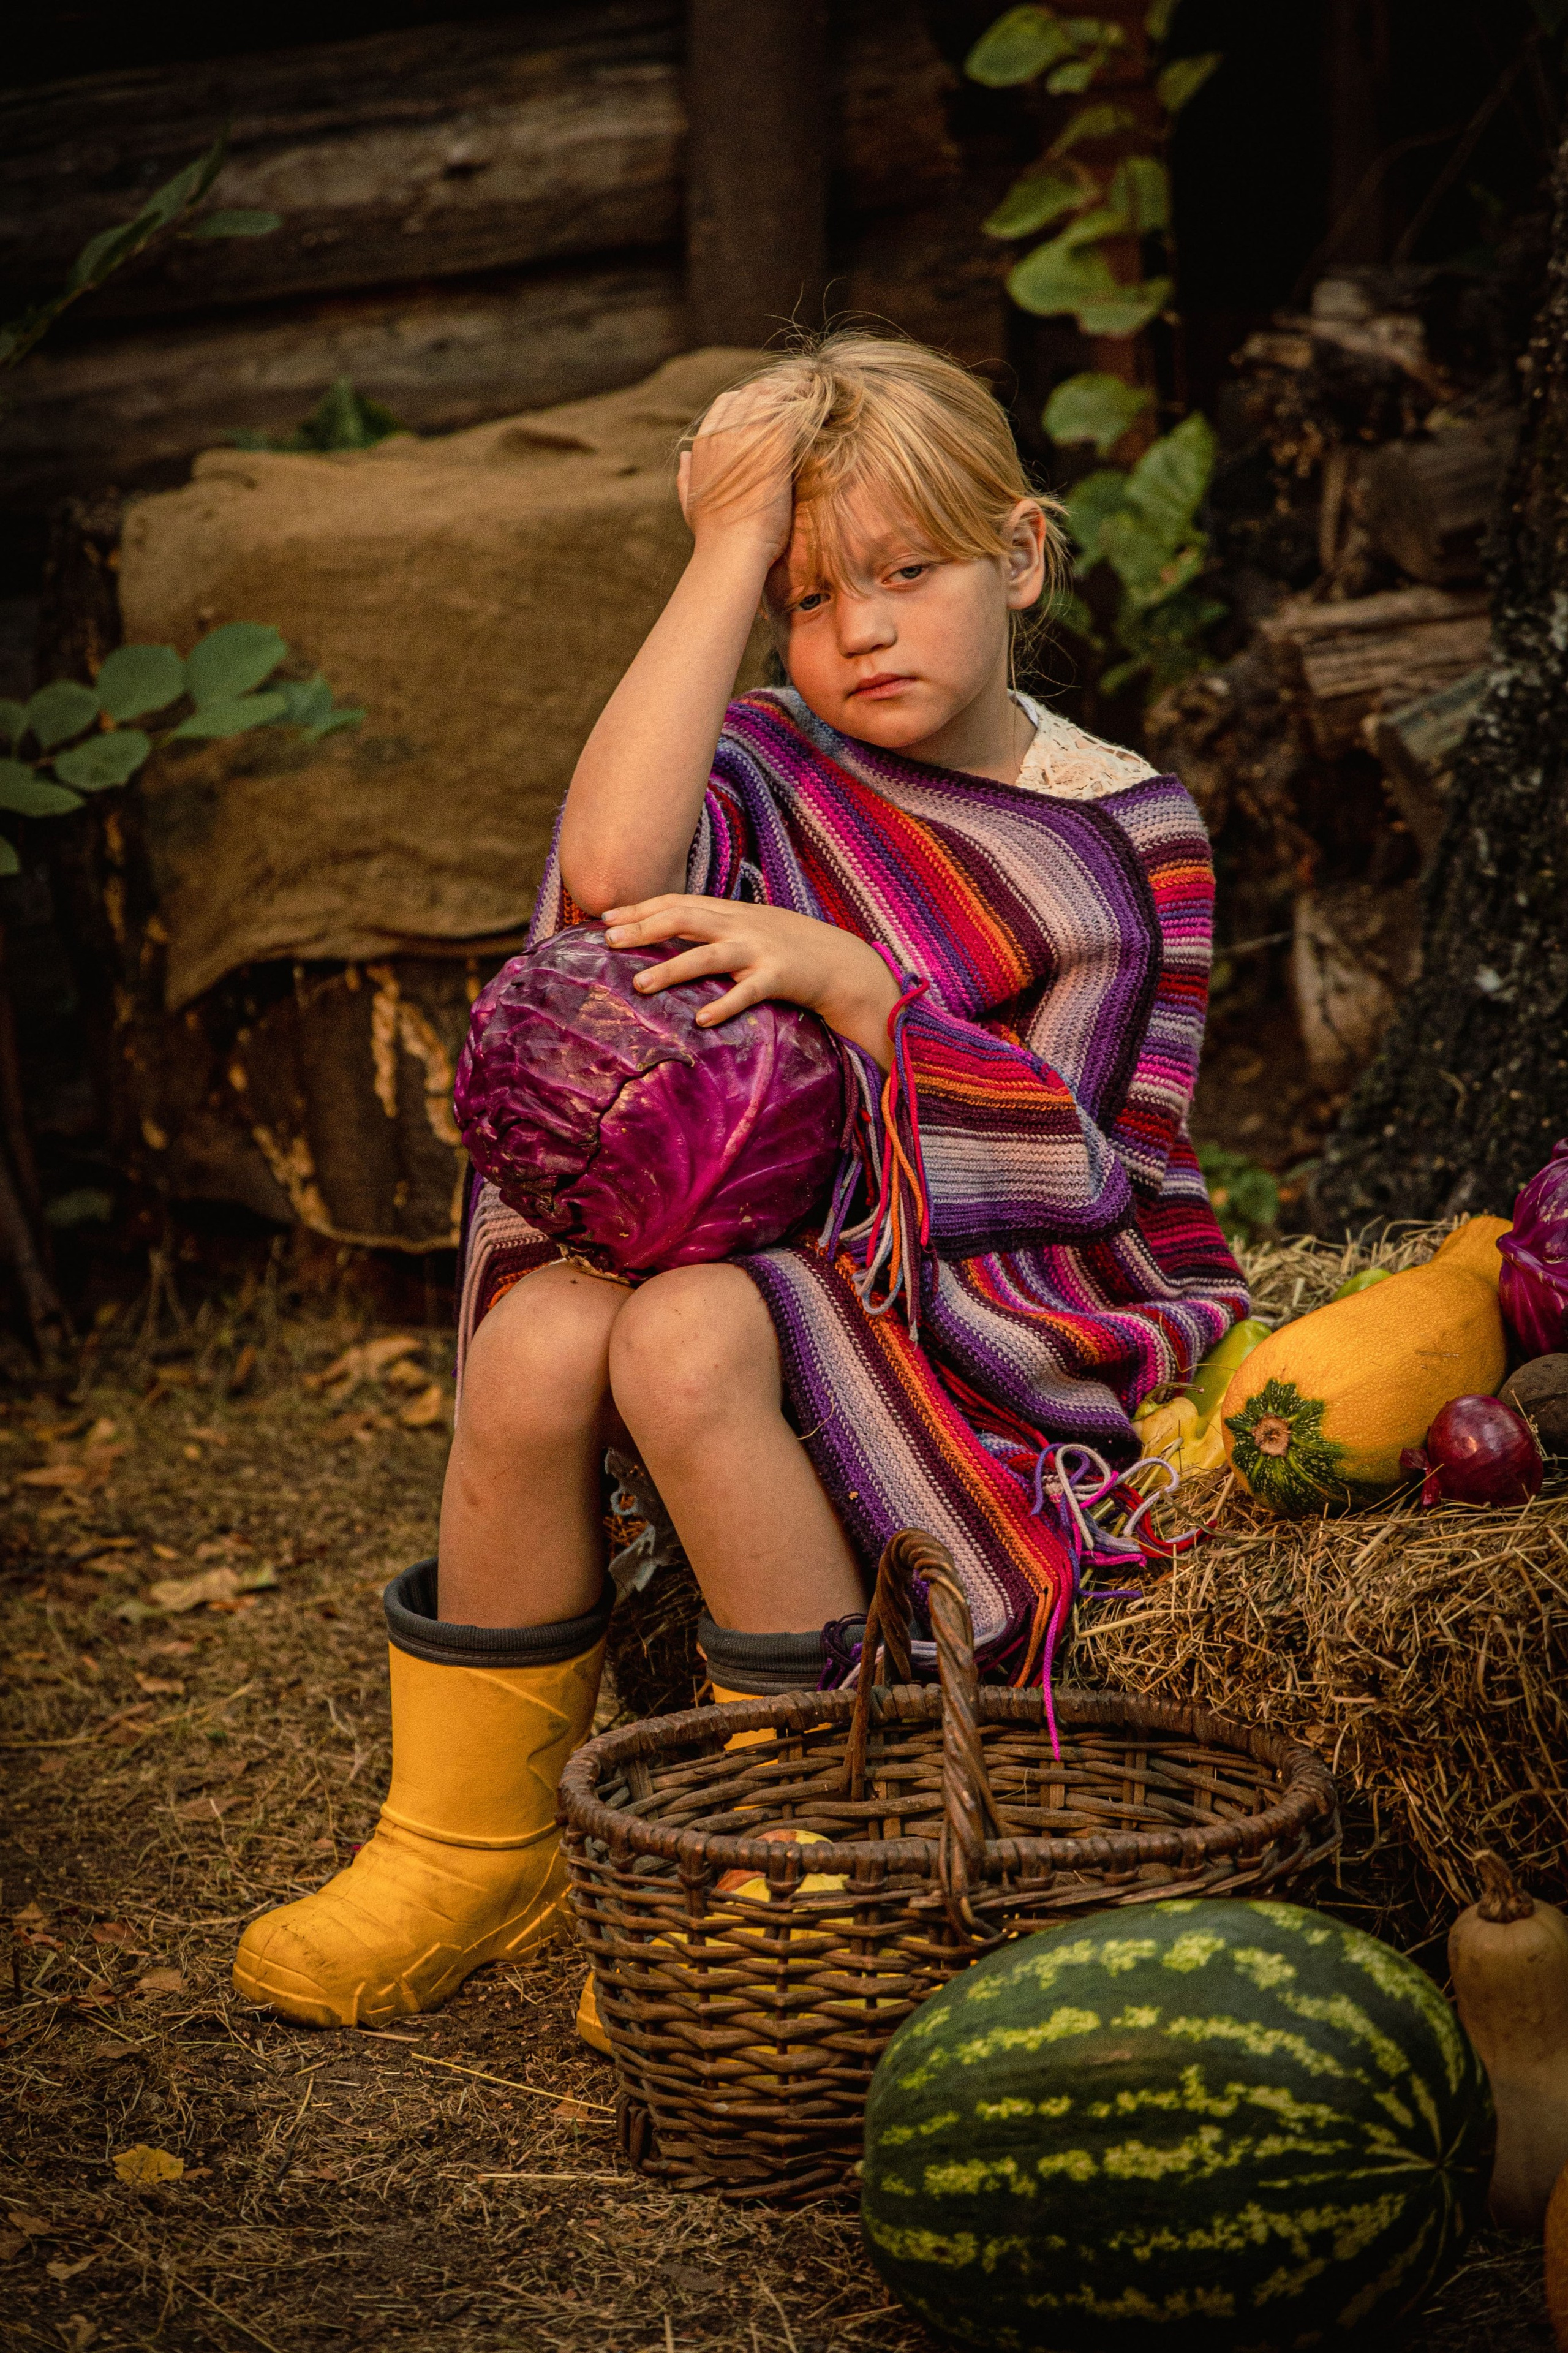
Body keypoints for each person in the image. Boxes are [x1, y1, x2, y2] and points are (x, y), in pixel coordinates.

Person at [233, 331, 1248, 2033]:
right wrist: (723, 547)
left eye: (908, 574)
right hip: (738, 1229)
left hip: (981, 1284)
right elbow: (610, 881)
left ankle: (801, 1832)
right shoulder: (762, 756)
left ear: (1022, 555)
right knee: (539, 1339)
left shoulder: (1126, 836)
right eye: (808, 596)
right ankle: (471, 1841)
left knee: (688, 1336)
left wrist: (862, 991)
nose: (862, 631)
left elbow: (1087, 1164)